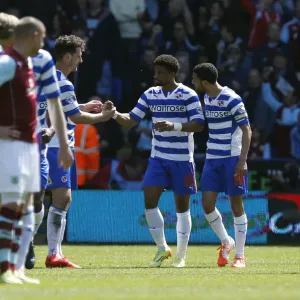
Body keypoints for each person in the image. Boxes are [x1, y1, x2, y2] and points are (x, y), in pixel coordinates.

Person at [112, 54, 205, 268]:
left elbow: (199, 124)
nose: (156, 76)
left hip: (182, 159)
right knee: (149, 200)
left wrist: (174, 126)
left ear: (173, 74)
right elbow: (131, 121)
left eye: (161, 73)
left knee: (182, 208)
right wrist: (114, 113)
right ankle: (162, 248)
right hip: (158, 158)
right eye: (155, 72)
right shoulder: (150, 94)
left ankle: (181, 255)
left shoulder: (188, 94)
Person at [0, 16, 68, 285]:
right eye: (41, 36)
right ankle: (6, 267)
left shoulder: (29, 63)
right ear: (30, 36)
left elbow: (53, 104)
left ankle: (14, 268)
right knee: (12, 204)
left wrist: (61, 143)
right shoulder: (8, 63)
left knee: (25, 207)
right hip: (12, 145)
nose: (45, 41)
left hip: (31, 145)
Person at [45, 35, 115, 268]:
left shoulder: (45, 78)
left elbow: (62, 110)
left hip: (43, 144)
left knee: (37, 199)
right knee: (61, 198)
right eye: (78, 55)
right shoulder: (64, 83)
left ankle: (35, 252)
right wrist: (101, 117)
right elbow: (75, 117)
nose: (80, 60)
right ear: (67, 56)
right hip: (56, 147)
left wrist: (80, 106)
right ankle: (53, 253)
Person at [192, 63, 252, 268]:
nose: (193, 83)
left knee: (236, 205)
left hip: (232, 157)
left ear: (205, 82)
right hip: (212, 157)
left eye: (195, 79)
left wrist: (242, 160)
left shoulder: (232, 98)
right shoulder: (207, 98)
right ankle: (226, 241)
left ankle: (240, 256)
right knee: (207, 204)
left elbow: (247, 130)